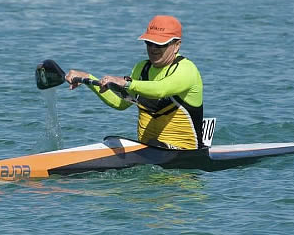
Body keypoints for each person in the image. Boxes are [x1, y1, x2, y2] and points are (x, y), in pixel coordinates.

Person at [65, 15, 204, 150]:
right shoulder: (141, 68)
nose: (153, 48)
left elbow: (161, 89)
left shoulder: (186, 69)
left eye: (159, 44)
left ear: (176, 45)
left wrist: (127, 83)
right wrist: (87, 78)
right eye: (149, 43)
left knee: (154, 146)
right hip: (148, 149)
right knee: (112, 140)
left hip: (184, 152)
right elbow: (120, 103)